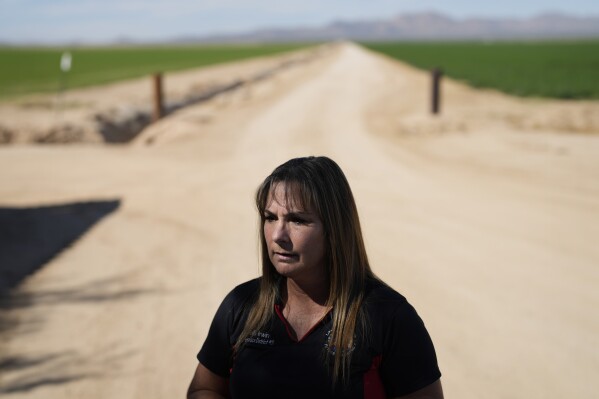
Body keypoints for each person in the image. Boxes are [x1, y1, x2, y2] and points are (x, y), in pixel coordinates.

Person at [187, 156, 443, 399]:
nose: (277, 235)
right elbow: (203, 389)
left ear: (335, 230)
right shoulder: (241, 305)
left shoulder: (390, 317)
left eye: (297, 220)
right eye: (270, 218)